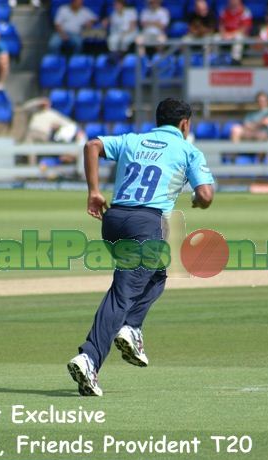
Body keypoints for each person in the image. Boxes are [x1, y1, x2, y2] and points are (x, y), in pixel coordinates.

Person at [67, 98, 215, 397]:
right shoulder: (188, 150)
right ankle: (90, 357)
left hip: (114, 219)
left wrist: (94, 191)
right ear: (185, 124)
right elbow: (206, 194)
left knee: (157, 274)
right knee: (123, 294)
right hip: (145, 224)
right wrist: (198, 201)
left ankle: (131, 328)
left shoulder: (133, 140)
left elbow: (91, 146)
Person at [217, 0, 253, 65]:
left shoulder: (245, 11)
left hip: (240, 35)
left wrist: (231, 35)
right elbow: (221, 25)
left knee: (239, 38)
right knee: (215, 38)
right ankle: (213, 59)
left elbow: (244, 28)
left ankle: (235, 60)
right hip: (226, 34)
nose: (232, 1)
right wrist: (223, 33)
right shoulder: (224, 11)